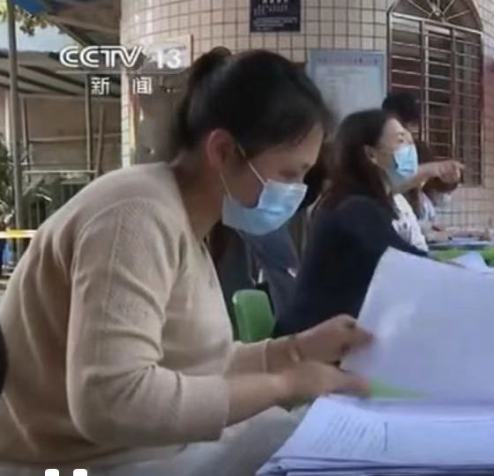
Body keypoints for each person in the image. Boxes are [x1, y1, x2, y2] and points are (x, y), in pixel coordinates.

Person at [0, 48, 373, 475]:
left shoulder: (183, 220)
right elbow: (110, 400)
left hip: (150, 455)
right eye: (289, 173)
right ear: (223, 151)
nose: (296, 191)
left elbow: (198, 365)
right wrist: (283, 384)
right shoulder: (135, 216)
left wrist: (296, 350)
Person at [276, 110, 429, 336]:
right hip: (313, 343)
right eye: (400, 140)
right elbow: (407, 264)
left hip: (332, 335)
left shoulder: (355, 202)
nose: (410, 148)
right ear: (371, 154)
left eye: (410, 140)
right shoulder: (354, 208)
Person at [381, 92, 463, 223]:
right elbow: (389, 183)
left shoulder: (418, 149)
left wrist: (450, 178)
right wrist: (433, 169)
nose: (406, 136)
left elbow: (438, 183)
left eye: (409, 129)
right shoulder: (377, 153)